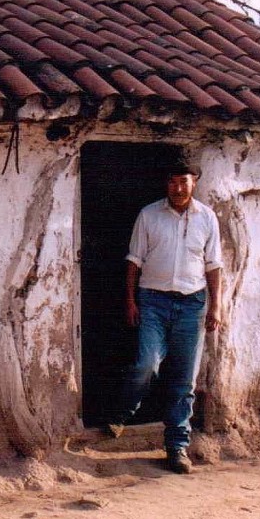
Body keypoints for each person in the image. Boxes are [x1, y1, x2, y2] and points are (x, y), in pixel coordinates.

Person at [107, 161, 222, 474]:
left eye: (183, 181)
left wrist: (216, 306)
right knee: (147, 364)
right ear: (166, 184)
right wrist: (131, 301)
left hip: (192, 303)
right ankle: (123, 410)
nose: (178, 188)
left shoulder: (207, 218)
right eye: (172, 182)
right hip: (153, 300)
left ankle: (176, 447)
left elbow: (213, 265)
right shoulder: (149, 215)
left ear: (194, 182)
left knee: (184, 379)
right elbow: (134, 262)